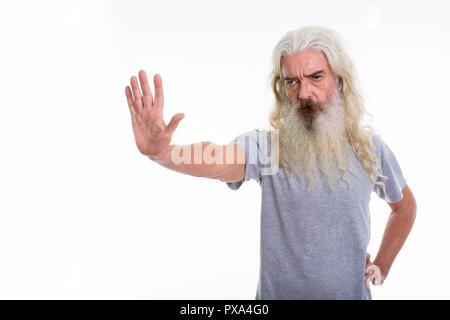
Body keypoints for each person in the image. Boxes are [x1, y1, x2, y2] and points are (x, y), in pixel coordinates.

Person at [124, 26, 417, 300]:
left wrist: (382, 264)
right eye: (293, 82)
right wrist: (163, 153)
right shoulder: (268, 148)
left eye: (316, 77)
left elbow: (404, 207)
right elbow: (218, 159)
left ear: (339, 80)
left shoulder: (370, 150)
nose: (304, 94)